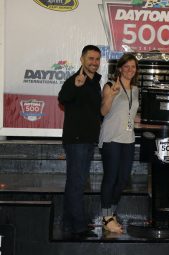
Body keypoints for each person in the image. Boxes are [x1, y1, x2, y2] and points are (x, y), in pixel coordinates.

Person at [58, 45, 102, 237]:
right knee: (77, 184)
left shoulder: (96, 82)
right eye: (90, 58)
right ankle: (79, 227)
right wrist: (75, 86)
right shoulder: (75, 80)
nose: (94, 62)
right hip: (76, 141)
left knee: (75, 183)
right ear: (82, 59)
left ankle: (68, 223)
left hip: (88, 140)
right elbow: (63, 98)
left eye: (97, 59)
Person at [98, 53, 139, 233]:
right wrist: (112, 96)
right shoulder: (109, 86)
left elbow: (131, 114)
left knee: (123, 179)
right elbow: (103, 111)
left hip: (128, 139)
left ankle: (111, 212)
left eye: (133, 67)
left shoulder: (136, 89)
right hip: (111, 138)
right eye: (126, 66)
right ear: (120, 68)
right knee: (111, 177)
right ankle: (107, 218)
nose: (130, 70)